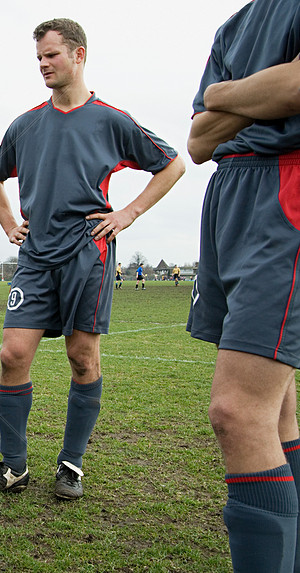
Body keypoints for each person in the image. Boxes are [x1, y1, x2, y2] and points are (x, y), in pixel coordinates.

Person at [0, 18, 184, 500]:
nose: (44, 65)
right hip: (36, 254)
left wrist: (128, 212)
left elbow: (172, 164)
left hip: (88, 251)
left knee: (81, 358)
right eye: (39, 58)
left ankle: (71, 465)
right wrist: (8, 222)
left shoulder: (110, 119)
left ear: (79, 55)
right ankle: (14, 467)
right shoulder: (25, 125)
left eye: (52, 55)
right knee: (13, 354)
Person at [186, 1, 300, 569]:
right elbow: (199, 143)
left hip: (287, 189)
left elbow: (295, 86)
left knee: (236, 411)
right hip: (230, 195)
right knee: (276, 413)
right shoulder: (234, 25)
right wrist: (262, 94)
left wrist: (224, 95)